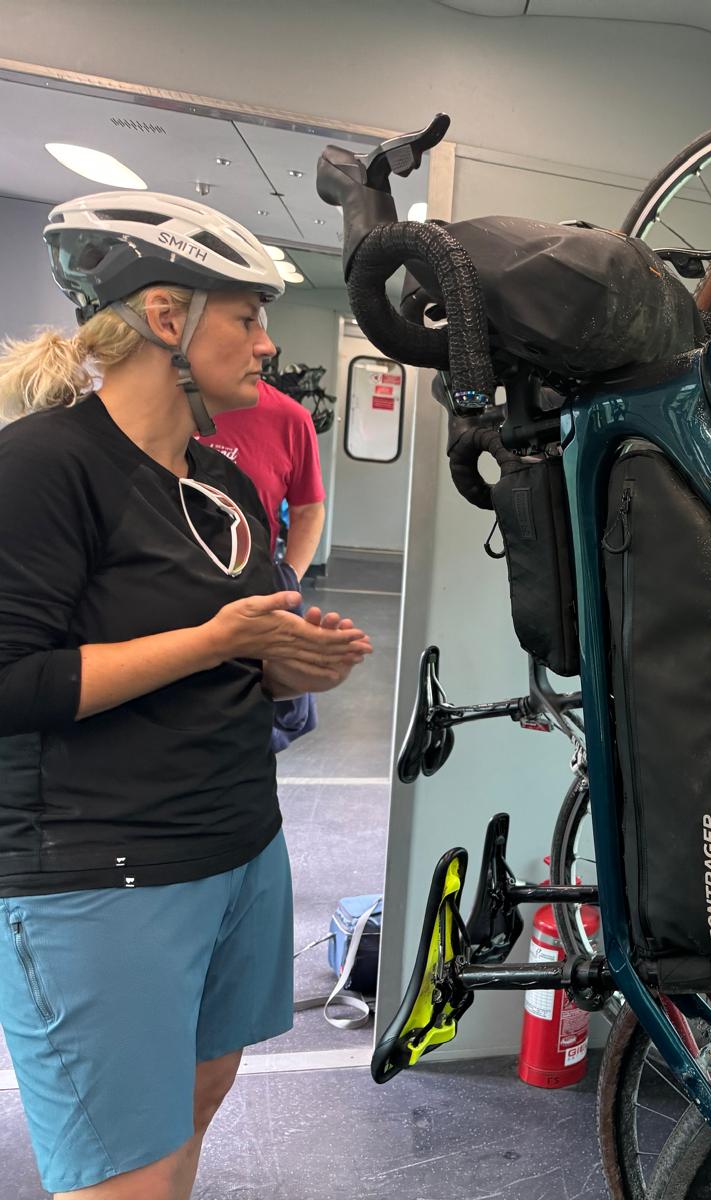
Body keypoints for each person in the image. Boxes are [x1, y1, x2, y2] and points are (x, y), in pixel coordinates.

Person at [0, 191, 373, 1200]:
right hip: (101, 866)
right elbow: (12, 681)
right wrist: (211, 638)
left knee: (190, 1114)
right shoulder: (42, 467)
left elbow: (241, 657)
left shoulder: (223, 483)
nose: (265, 345)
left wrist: (289, 660)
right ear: (167, 318)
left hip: (239, 847)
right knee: (125, 1172)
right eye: (246, 318)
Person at [199, 375, 325, 580]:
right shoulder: (162, 404)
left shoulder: (290, 418)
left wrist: (289, 578)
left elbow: (308, 509)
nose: (267, 347)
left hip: (247, 582)